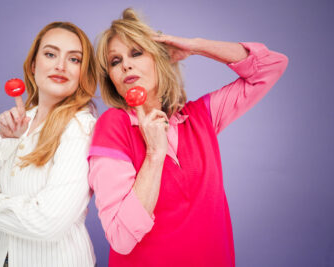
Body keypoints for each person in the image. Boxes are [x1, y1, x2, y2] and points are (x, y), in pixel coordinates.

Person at [88, 8, 288, 266]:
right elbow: (121, 238)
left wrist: (195, 46)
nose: (126, 64)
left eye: (137, 53)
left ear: (160, 60)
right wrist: (154, 155)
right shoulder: (113, 126)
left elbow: (271, 66)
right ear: (112, 79)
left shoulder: (201, 117)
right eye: (115, 61)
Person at [0, 21, 97, 267]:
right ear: (32, 65)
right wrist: (5, 140)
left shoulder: (82, 127)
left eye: (74, 59)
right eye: (50, 54)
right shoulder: (19, 121)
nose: (60, 66)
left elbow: (49, 223)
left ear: (83, 72)